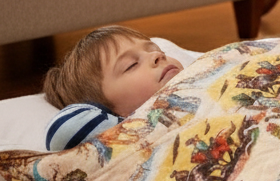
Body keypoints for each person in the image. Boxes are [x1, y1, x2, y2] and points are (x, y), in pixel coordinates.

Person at [42, 25, 185, 150]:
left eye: (159, 51)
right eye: (131, 65)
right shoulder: (131, 134)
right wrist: (120, 127)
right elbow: (63, 131)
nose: (157, 55)